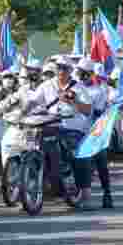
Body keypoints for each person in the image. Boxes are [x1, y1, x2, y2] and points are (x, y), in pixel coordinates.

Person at [28, 57, 95, 209]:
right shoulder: (46, 85)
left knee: (77, 154)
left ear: (71, 70)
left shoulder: (78, 88)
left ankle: (85, 192)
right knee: (33, 148)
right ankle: (28, 191)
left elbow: (88, 110)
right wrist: (21, 109)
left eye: (64, 68)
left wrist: (72, 101)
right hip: (49, 125)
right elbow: (32, 101)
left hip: (71, 127)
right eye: (58, 67)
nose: (61, 71)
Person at [77, 57, 113, 208]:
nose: (81, 76)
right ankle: (79, 193)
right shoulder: (75, 88)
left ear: (90, 74)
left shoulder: (99, 91)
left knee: (101, 162)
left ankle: (107, 193)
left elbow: (99, 112)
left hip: (94, 131)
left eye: (84, 73)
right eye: (79, 72)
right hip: (76, 130)